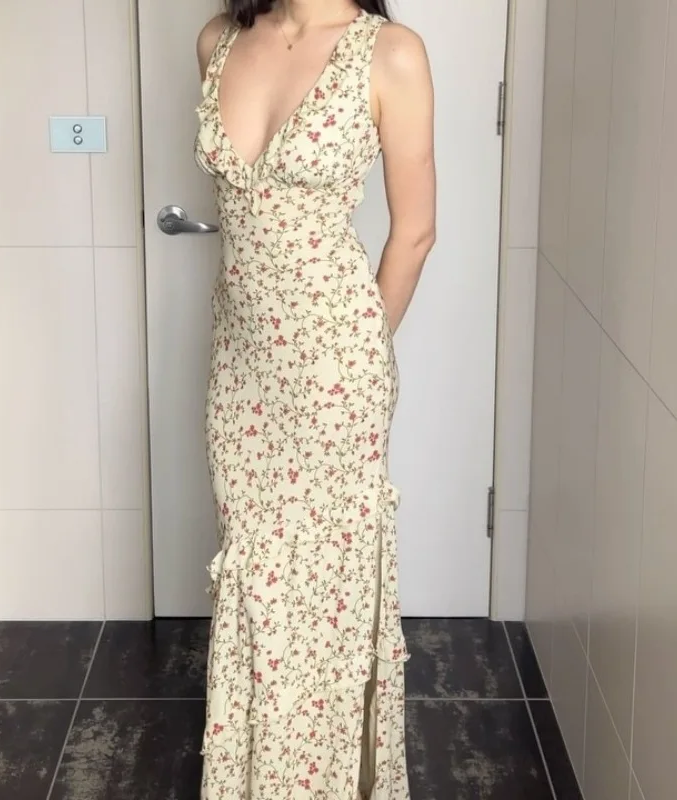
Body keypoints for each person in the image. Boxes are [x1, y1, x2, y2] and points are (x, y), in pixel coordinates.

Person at [194, 0, 435, 796]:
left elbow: (415, 231)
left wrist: (352, 355)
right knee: (258, 587)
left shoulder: (389, 53)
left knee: (326, 598)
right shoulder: (219, 41)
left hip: (336, 377)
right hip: (242, 375)